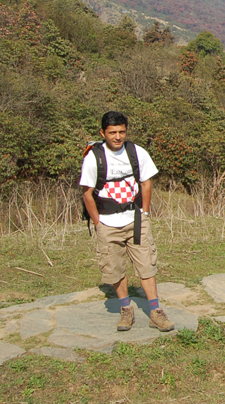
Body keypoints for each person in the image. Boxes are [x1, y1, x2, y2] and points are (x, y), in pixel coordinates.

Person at [80, 111, 174, 332]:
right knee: (114, 269)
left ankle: (155, 312)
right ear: (103, 133)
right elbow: (87, 193)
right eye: (112, 132)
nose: (117, 137)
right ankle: (126, 309)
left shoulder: (136, 152)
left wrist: (145, 212)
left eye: (122, 131)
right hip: (107, 222)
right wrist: (98, 223)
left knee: (147, 265)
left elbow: (146, 183)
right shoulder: (94, 157)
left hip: (136, 219)